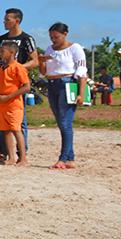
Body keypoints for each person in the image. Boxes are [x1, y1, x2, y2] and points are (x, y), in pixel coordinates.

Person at [38, 22, 88, 170]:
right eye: (51, 37)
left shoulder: (75, 48)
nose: (53, 40)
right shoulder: (49, 49)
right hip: (52, 84)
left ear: (65, 34)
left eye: (56, 36)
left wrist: (81, 93)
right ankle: (70, 158)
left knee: (66, 122)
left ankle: (63, 157)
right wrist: (41, 62)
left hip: (68, 83)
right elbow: (44, 72)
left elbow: (82, 70)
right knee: (61, 122)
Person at [0, 8, 37, 151]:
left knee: (19, 120)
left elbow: (35, 61)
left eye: (7, 19)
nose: (4, 21)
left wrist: (16, 69)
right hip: (2, 82)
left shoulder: (27, 39)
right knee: (2, 120)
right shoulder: (2, 39)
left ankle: (21, 150)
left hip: (18, 83)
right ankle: (4, 151)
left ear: (17, 21)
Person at [0, 40, 30, 167]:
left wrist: (9, 96)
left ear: (12, 52)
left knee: (16, 129)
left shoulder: (18, 67)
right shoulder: (1, 69)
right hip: (2, 104)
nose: (0, 53)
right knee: (6, 130)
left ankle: (23, 158)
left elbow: (26, 87)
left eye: (2, 51)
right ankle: (11, 157)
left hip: (14, 104)